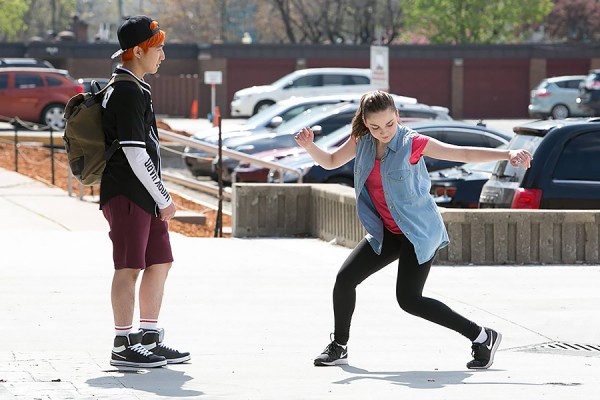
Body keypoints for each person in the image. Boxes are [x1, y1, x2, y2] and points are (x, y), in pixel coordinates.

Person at [294, 90, 533, 369]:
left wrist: (508, 153)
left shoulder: (413, 143)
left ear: (397, 116)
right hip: (386, 232)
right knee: (345, 279)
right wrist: (310, 146)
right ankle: (340, 346)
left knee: (409, 300)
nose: (383, 132)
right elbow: (331, 161)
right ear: (365, 123)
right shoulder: (361, 141)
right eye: (375, 126)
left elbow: (462, 153)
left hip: (418, 232)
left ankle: (482, 336)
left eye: (389, 124)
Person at [100, 15, 190, 368]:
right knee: (129, 267)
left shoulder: (137, 87)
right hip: (126, 193)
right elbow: (134, 152)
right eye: (157, 48)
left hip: (143, 195)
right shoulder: (124, 90)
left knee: (160, 261)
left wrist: (158, 197)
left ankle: (148, 338)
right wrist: (164, 198)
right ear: (137, 51)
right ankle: (123, 343)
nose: (162, 56)